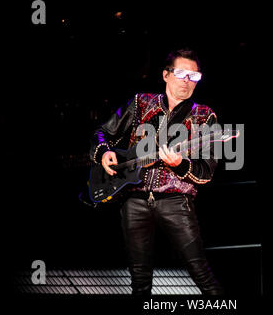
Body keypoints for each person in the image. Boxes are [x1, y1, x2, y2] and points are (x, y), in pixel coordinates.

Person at [90, 48, 224, 295]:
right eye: (182, 73)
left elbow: (206, 172)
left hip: (176, 201)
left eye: (194, 77)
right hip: (134, 200)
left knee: (201, 274)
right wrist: (104, 153)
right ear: (166, 74)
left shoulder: (204, 116)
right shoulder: (141, 102)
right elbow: (103, 132)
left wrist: (180, 164)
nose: (187, 81)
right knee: (140, 281)